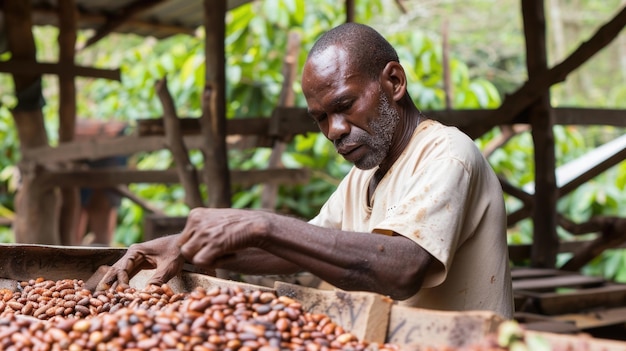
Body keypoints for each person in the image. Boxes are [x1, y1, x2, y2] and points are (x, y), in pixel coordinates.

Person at [93, 23, 513, 319]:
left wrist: (260, 223)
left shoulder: (447, 154)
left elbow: (403, 269)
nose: (335, 130)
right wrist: (180, 246)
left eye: (345, 107)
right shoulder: (365, 176)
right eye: (321, 118)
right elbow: (300, 248)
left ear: (394, 82)